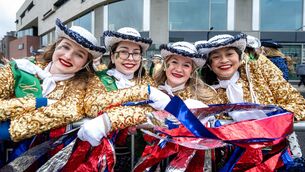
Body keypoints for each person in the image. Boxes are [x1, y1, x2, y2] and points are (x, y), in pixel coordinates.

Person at [58, 27, 172, 172]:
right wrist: (143, 95)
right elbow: (93, 106)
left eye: (136, 53)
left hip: (140, 155)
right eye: (124, 52)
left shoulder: (147, 81)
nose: (130, 58)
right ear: (112, 56)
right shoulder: (99, 78)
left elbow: (159, 114)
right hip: (103, 156)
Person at [0, 18, 106, 169]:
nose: (68, 56)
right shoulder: (23, 68)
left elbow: (68, 111)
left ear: (85, 64)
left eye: (79, 54)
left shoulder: (83, 88)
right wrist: (40, 102)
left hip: (37, 161)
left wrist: (8, 130)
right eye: (65, 47)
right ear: (55, 46)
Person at [197, 33, 305, 170]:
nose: (224, 60)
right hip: (229, 161)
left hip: (274, 158)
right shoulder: (203, 89)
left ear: (239, 57)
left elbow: (298, 104)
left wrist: (266, 118)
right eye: (216, 57)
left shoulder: (260, 71)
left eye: (229, 54)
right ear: (210, 64)